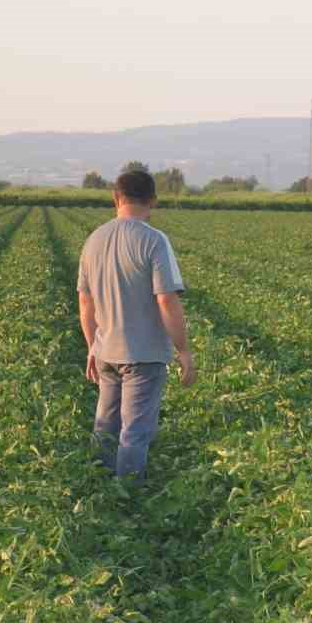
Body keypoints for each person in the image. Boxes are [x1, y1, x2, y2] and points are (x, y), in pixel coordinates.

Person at [77, 169, 196, 478]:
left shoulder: (93, 239)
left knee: (104, 426)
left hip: (105, 351)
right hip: (143, 355)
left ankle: (97, 489)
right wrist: (183, 351)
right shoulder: (154, 240)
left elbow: (85, 303)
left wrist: (92, 347)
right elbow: (166, 300)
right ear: (153, 201)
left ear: (116, 198)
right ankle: (126, 499)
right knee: (135, 432)